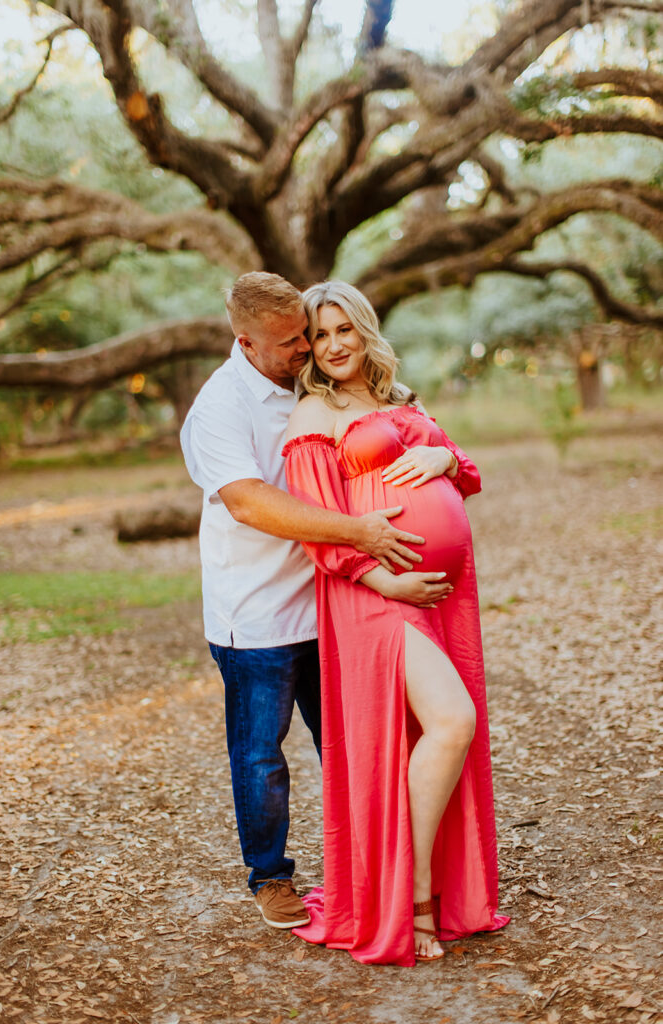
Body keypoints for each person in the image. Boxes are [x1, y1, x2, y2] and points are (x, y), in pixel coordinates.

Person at [179, 272, 452, 931]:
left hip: (334, 600)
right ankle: (270, 876)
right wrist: (360, 533)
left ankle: (369, 865)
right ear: (244, 342)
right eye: (289, 341)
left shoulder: (309, 386)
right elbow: (249, 503)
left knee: (350, 743)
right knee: (260, 753)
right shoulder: (218, 409)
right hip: (258, 614)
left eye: (309, 331)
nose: (305, 346)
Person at [283, 280, 509, 966]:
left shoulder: (397, 401)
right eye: (319, 336)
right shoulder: (313, 417)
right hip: (374, 594)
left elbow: (462, 470)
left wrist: (443, 457)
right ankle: (407, 900)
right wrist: (388, 578)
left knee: (439, 731)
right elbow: (320, 533)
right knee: (451, 721)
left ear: (363, 328)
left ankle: (433, 891)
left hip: (434, 597)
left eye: (342, 329)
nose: (333, 346)